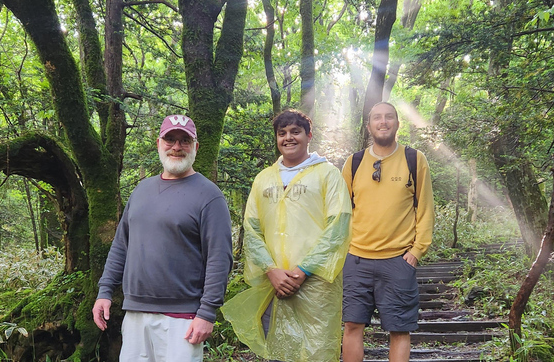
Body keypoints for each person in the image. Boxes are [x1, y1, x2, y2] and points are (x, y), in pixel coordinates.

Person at [92, 114, 233, 362]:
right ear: (159, 143)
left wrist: (207, 312)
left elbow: (219, 258)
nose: (176, 147)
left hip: (184, 318)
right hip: (135, 313)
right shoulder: (141, 190)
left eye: (184, 141)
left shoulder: (209, 196)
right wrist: (105, 291)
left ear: (196, 147)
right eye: (170, 139)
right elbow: (121, 247)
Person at [221, 109, 351, 362]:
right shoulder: (263, 179)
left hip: (317, 285)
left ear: (308, 135)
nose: (288, 138)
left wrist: (303, 270)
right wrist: (271, 270)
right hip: (275, 284)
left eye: (295, 132)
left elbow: (338, 226)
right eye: (282, 133)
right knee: (279, 351)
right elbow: (252, 229)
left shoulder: (327, 174)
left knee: (317, 351)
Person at [341, 102, 435, 362]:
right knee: (351, 326)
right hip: (356, 259)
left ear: (397, 123)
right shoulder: (354, 162)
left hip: (398, 260)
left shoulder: (414, 159)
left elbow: (425, 209)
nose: (383, 122)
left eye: (389, 117)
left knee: (399, 329)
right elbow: (342, 211)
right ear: (369, 125)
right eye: (377, 118)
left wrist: (416, 252)